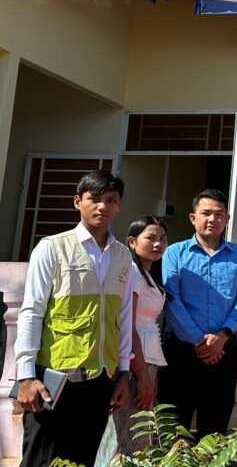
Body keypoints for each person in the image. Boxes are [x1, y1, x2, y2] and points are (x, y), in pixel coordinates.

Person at [14, 170, 134, 467]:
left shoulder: (122, 256)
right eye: (94, 199)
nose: (103, 206)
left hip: (101, 380)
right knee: (42, 459)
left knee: (82, 459)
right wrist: (26, 375)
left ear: (119, 206)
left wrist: (123, 373)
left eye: (111, 200)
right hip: (55, 377)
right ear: (78, 202)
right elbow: (31, 311)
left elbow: (123, 315)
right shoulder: (52, 247)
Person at [161, 188, 237, 437]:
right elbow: (172, 299)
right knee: (174, 427)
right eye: (206, 213)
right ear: (193, 218)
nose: (212, 219)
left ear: (226, 220)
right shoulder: (174, 252)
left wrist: (223, 336)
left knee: (215, 428)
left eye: (219, 214)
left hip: (224, 350)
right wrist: (199, 341)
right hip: (182, 350)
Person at [110, 216, 169, 453]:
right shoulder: (132, 272)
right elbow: (129, 325)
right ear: (132, 242)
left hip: (148, 359)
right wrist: (143, 376)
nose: (158, 244)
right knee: (128, 434)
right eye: (151, 238)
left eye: (163, 238)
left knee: (139, 431)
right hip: (135, 362)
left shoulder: (150, 274)